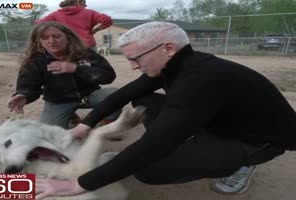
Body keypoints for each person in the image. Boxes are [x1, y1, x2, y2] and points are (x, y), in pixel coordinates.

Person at [35, 22, 296, 199]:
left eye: (136, 59)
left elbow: (152, 146)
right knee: (144, 100)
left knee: (148, 170)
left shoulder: (199, 80)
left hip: (256, 141)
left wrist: (78, 183)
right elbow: (127, 93)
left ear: (168, 48)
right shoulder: (176, 64)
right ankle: (185, 139)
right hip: (218, 121)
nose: (133, 67)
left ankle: (243, 164)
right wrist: (85, 125)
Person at [8, 21, 119, 129]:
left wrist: (77, 69)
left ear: (68, 37)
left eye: (56, 36)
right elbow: (28, 87)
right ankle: (70, 115)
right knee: (49, 130)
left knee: (115, 95)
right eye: (45, 38)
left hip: (90, 95)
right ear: (39, 42)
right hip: (59, 101)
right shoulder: (35, 62)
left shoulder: (85, 53)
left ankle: (108, 122)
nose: (51, 41)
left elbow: (109, 75)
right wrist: (23, 95)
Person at [35, 0, 113, 48]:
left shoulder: (55, 14)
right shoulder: (89, 13)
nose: (86, 5)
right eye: (84, 2)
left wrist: (54, 34)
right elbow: (107, 20)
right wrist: (95, 30)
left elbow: (39, 24)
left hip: (65, 46)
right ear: (78, 1)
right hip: (86, 46)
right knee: (89, 71)